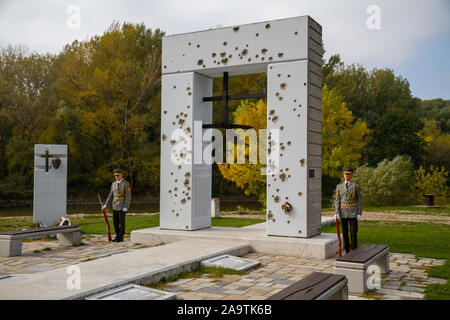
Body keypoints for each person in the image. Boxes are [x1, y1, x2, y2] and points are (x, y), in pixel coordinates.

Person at [334, 166, 362, 254]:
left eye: (349, 174)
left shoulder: (356, 186)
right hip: (343, 212)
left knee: (353, 233)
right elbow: (337, 200)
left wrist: (359, 213)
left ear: (352, 175)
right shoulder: (339, 186)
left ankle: (354, 250)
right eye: (346, 174)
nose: (347, 176)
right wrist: (336, 212)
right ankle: (347, 250)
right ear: (343, 175)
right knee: (345, 233)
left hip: (353, 212)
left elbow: (359, 200)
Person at [103, 168, 131, 242]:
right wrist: (106, 204)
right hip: (114, 205)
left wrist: (126, 206)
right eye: (115, 175)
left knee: (121, 222)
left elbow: (128, 196)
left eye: (118, 175)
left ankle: (121, 236)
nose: (116, 177)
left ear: (121, 175)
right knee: (115, 221)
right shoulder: (113, 184)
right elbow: (110, 195)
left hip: (122, 205)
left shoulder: (126, 183)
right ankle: (117, 235)